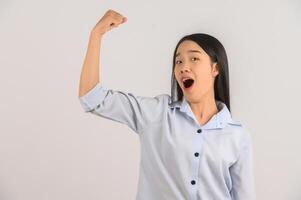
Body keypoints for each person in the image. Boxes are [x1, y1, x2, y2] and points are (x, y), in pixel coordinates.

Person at [78, 9, 256, 200]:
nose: (183, 67)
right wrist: (96, 35)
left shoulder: (237, 136)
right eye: (178, 61)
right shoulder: (156, 114)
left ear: (215, 68)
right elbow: (92, 98)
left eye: (194, 58)